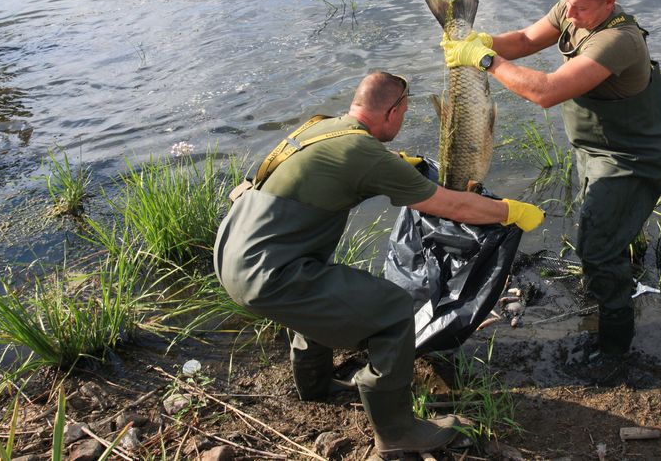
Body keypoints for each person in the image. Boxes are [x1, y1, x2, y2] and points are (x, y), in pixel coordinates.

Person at [213, 72, 544, 456]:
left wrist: (396, 165)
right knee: (393, 311)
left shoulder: (322, 128)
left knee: (320, 292)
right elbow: (450, 204)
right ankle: (396, 432)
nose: (403, 122)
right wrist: (511, 211)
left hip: (233, 255)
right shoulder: (362, 153)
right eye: (403, 113)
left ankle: (316, 385)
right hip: (268, 275)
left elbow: (355, 164)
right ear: (392, 111)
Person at [440, 0, 661, 377]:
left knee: (597, 249)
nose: (570, 12)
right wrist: (477, 42)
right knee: (603, 231)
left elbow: (546, 92)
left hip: (629, 157)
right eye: (567, 2)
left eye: (581, 6)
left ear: (609, 1)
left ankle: (615, 347)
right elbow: (527, 41)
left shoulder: (618, 40)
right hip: (594, 147)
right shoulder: (572, 9)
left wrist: (485, 60)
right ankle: (610, 279)